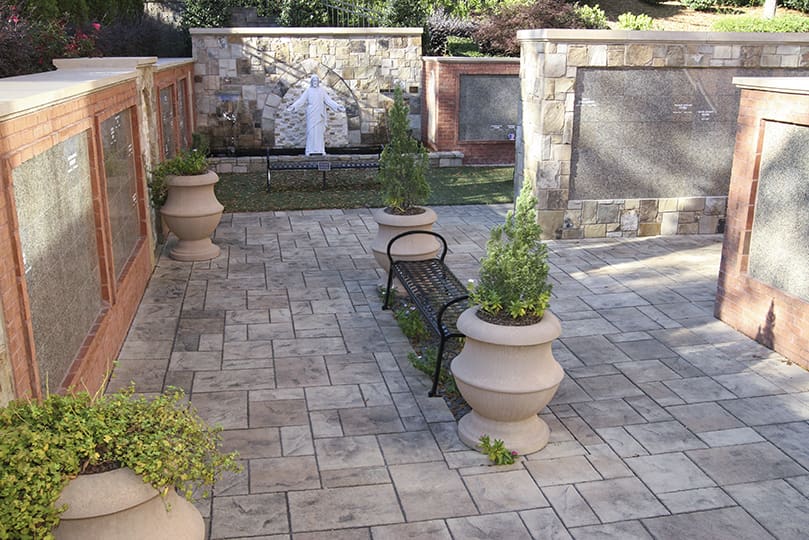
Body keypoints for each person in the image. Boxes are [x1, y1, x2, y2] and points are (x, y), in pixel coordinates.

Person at [286, 75, 346, 156]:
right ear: (311, 82)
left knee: (319, 133)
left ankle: (320, 149)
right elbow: (301, 100)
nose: (315, 82)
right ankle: (310, 150)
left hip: (319, 114)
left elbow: (329, 101)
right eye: (313, 81)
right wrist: (293, 106)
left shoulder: (322, 91)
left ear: (318, 82)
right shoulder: (308, 91)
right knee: (311, 132)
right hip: (311, 114)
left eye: (316, 81)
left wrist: (337, 106)